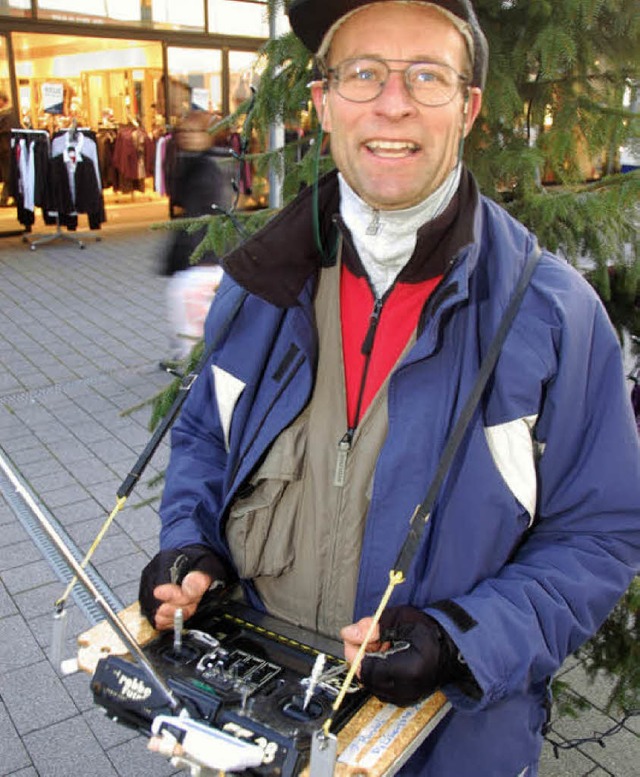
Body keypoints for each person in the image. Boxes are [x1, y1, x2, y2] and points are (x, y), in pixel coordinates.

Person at [139, 2, 640, 774]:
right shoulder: (261, 287)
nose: (393, 102)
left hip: (445, 748)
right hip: (255, 727)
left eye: (426, 76)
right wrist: (188, 544)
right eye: (364, 73)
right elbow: (207, 438)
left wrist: (462, 639)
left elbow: (600, 532)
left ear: (468, 108)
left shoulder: (554, 316)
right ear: (323, 103)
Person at [160, 109, 235, 362]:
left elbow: (206, 217)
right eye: (185, 132)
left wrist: (201, 256)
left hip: (203, 263)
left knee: (194, 337)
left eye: (196, 131)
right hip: (199, 261)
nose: (189, 137)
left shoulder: (208, 168)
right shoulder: (192, 163)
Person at [0, 90, 18, 207]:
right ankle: (7, 197)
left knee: (8, 174)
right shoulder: (7, 115)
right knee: (8, 174)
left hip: (6, 150)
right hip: (5, 150)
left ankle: (5, 197)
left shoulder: (7, 115)